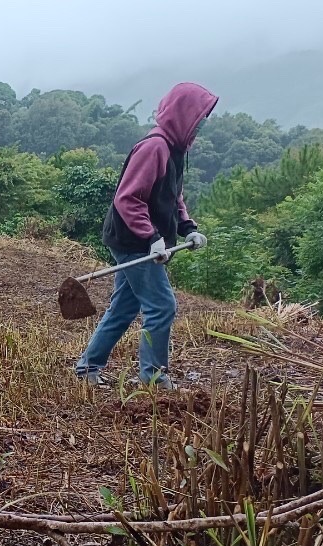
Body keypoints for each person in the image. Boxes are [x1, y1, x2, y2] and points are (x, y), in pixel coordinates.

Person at [75, 82, 219, 390]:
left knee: (124, 307)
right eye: (199, 119)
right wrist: (151, 236)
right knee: (162, 305)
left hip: (141, 240)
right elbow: (127, 198)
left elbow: (173, 196)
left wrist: (188, 227)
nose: (200, 126)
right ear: (184, 115)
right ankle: (153, 376)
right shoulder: (154, 147)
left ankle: (88, 367)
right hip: (132, 241)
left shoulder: (176, 150)